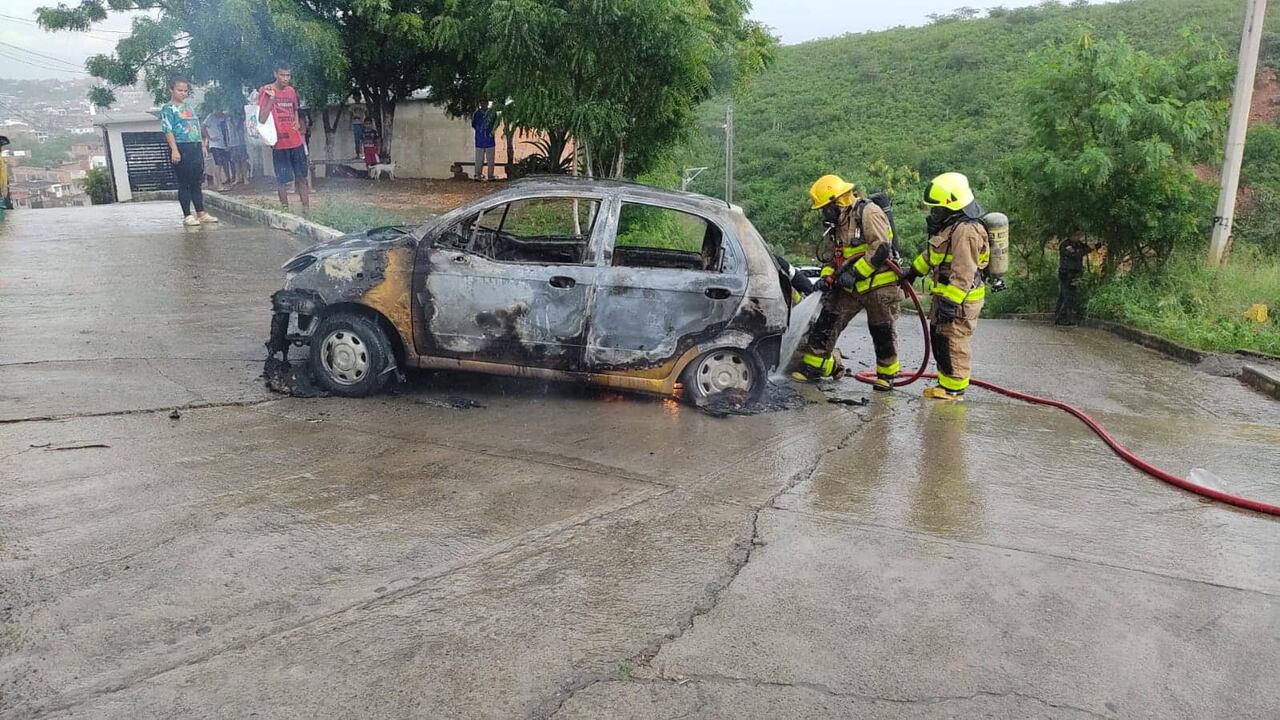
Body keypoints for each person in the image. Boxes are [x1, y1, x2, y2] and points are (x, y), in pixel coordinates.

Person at [788, 174, 904, 390]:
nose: (823, 213)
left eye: (825, 208)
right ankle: (813, 368)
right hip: (850, 286)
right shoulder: (837, 224)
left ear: (836, 202)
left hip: (879, 285)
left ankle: (886, 376)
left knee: (882, 331)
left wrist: (856, 273)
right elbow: (834, 258)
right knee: (827, 321)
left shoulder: (868, 212)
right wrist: (826, 277)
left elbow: (880, 248)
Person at [900, 172, 990, 402]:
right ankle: (945, 383)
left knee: (954, 340)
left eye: (937, 209)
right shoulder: (950, 228)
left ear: (952, 207)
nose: (933, 214)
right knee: (940, 338)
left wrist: (951, 302)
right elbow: (934, 255)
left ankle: (954, 389)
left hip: (960, 300)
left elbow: (964, 271)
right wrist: (913, 271)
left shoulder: (966, 231)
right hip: (946, 296)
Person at [160, 75, 218, 227]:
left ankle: (201, 212)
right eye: (180, 90)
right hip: (180, 146)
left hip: (195, 146)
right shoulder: (167, 109)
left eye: (185, 91)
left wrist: (202, 146)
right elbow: (168, 130)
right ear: (171, 90)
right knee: (184, 182)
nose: (183, 93)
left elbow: (196, 127)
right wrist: (174, 150)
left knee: (196, 182)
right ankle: (187, 215)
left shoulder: (189, 107)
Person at [258, 61, 309, 209]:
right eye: (282, 75)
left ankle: (306, 210)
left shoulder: (291, 91)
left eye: (288, 75)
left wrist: (296, 122)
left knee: (302, 177)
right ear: (275, 74)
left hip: (296, 141)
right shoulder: (266, 90)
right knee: (282, 180)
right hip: (279, 143)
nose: (286, 78)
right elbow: (261, 118)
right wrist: (272, 99)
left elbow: (295, 108)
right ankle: (285, 211)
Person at [1056, 233, 1092, 326]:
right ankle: (1062, 318)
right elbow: (1076, 255)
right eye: (1076, 235)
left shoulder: (1078, 244)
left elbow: (1088, 249)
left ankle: (1060, 316)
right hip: (1066, 273)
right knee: (1067, 296)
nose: (1078, 237)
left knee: (1065, 295)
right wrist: (1079, 251)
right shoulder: (1065, 244)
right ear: (1070, 235)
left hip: (1075, 273)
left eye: (1079, 235)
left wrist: (1080, 250)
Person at [202, 109, 232, 191]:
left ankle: (224, 181)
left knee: (222, 164)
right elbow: (203, 126)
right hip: (215, 145)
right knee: (217, 164)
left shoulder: (223, 117)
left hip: (223, 144)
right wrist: (209, 137)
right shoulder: (210, 117)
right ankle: (219, 184)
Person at [471, 100, 497, 181]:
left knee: (491, 160)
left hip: (489, 140)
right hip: (480, 140)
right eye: (481, 103)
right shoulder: (476, 114)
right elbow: (474, 125)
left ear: (487, 103)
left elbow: (495, 123)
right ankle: (477, 175)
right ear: (480, 104)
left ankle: (490, 176)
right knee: (479, 160)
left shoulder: (492, 113)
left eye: (485, 103)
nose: (483, 104)